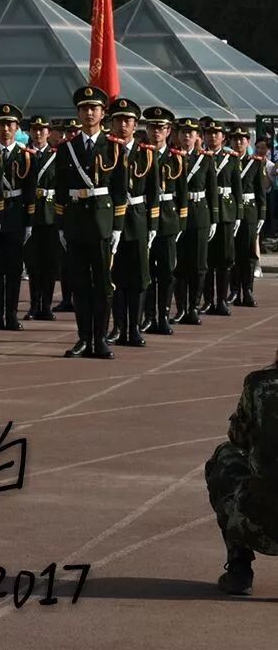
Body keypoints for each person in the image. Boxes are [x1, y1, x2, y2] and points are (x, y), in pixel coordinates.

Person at [57, 86, 128, 360]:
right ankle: (83, 338)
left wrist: (118, 226)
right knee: (79, 284)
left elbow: (120, 190)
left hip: (102, 221)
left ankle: (100, 338)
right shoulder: (67, 149)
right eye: (84, 108)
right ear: (78, 113)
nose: (89, 112)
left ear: (103, 113)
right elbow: (61, 189)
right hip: (76, 221)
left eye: (94, 108)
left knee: (102, 283)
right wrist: (62, 225)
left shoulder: (114, 147)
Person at [204, 348, 278, 596]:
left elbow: (237, 437)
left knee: (224, 458)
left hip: (260, 520)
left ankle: (239, 567)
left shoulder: (259, 384)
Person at [107, 98, 157, 348]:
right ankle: (118, 326)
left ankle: (134, 328)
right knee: (115, 276)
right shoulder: (106, 150)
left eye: (127, 120)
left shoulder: (146, 153)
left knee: (137, 277)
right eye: (118, 120)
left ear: (135, 124)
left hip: (137, 218)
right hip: (111, 220)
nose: (123, 124)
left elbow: (154, 192)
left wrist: (153, 225)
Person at [0, 105, 32, 332]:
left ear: (17, 128)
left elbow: (30, 191)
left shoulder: (25, 155)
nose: (6, 129)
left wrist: (29, 222)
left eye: (10, 125)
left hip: (15, 215)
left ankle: (12, 314)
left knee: (14, 270)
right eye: (1, 125)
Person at [144, 107, 182, 336]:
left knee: (167, 272)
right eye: (152, 127)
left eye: (161, 128)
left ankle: (163, 315)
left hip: (167, 218)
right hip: (145, 218)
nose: (156, 132)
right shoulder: (141, 154)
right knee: (146, 271)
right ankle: (148, 316)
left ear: (168, 131)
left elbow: (183, 194)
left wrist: (181, 224)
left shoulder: (176, 158)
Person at [22, 115, 62, 322]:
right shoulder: (24, 155)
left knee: (49, 263)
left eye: (42, 130)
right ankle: (33, 305)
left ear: (48, 132)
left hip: (50, 215)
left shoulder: (57, 156)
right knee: (32, 263)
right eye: (34, 130)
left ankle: (46, 306)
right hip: (30, 214)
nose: (38, 133)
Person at [175, 117, 215, 327]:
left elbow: (212, 191)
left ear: (197, 136)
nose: (187, 136)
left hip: (200, 214)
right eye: (183, 132)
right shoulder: (173, 158)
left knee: (199, 265)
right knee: (180, 264)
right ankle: (181, 308)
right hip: (178, 214)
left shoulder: (206, 159)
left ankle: (193, 307)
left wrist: (214, 219)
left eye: (190, 133)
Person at [205, 119, 242, 317]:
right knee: (207, 259)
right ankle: (208, 300)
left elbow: (237, 188)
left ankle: (222, 299)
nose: (212, 137)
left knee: (225, 259)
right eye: (209, 134)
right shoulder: (202, 157)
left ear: (223, 138)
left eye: (216, 134)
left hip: (227, 212)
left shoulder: (231, 159)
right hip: (207, 210)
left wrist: (239, 215)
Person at [234, 128, 263, 308]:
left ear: (247, 142)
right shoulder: (226, 161)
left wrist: (262, 215)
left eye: (242, 139)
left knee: (249, 253)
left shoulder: (255, 163)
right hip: (231, 210)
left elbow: (260, 192)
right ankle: (234, 289)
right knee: (233, 253)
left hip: (249, 211)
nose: (238, 143)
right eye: (235, 139)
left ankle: (248, 289)